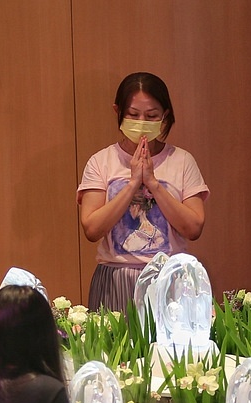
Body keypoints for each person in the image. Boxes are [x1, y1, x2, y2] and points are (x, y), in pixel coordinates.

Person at [78, 72, 208, 312]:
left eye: (151, 116)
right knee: (115, 350)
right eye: (133, 114)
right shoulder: (100, 161)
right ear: (118, 112)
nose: (141, 122)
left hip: (169, 279)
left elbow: (194, 228)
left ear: (165, 116)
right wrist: (132, 183)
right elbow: (92, 228)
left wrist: (153, 183)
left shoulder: (182, 161)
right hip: (115, 279)